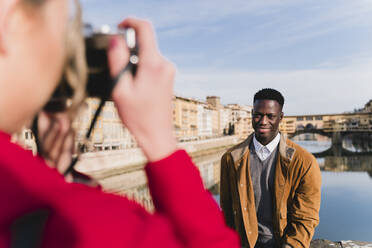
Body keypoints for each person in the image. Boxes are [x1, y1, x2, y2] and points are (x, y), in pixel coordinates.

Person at [0, 0, 240, 247]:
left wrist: (53, 177)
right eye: (63, 34)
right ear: (12, 21)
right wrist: (161, 142)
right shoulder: (88, 227)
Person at [220, 88, 321, 248]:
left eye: (270, 116)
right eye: (258, 115)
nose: (263, 121)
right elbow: (226, 209)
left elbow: (306, 216)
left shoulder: (304, 162)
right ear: (252, 114)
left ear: (280, 117)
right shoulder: (230, 158)